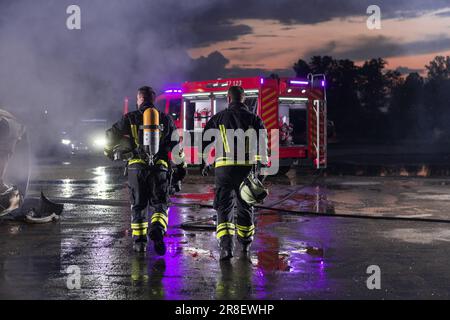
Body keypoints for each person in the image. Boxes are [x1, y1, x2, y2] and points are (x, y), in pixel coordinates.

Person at [104, 86, 186, 254]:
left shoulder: (130, 118)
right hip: (160, 170)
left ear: (139, 99)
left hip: (136, 169)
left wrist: (109, 151)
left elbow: (110, 135)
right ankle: (156, 228)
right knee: (160, 205)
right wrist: (180, 168)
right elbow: (177, 147)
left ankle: (140, 243)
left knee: (138, 205)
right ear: (153, 100)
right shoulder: (165, 119)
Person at [200, 86, 268, 260]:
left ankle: (226, 248)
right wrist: (262, 168)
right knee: (245, 205)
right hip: (246, 170)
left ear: (229, 99)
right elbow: (263, 142)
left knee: (224, 207)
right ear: (243, 99)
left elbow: (205, 139)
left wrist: (205, 161)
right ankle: (245, 244)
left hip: (224, 170)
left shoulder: (219, 117)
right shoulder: (254, 118)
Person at [0, 109, 26, 215]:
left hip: (8, 126)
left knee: (3, 154)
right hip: (11, 126)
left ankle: (3, 188)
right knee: (4, 154)